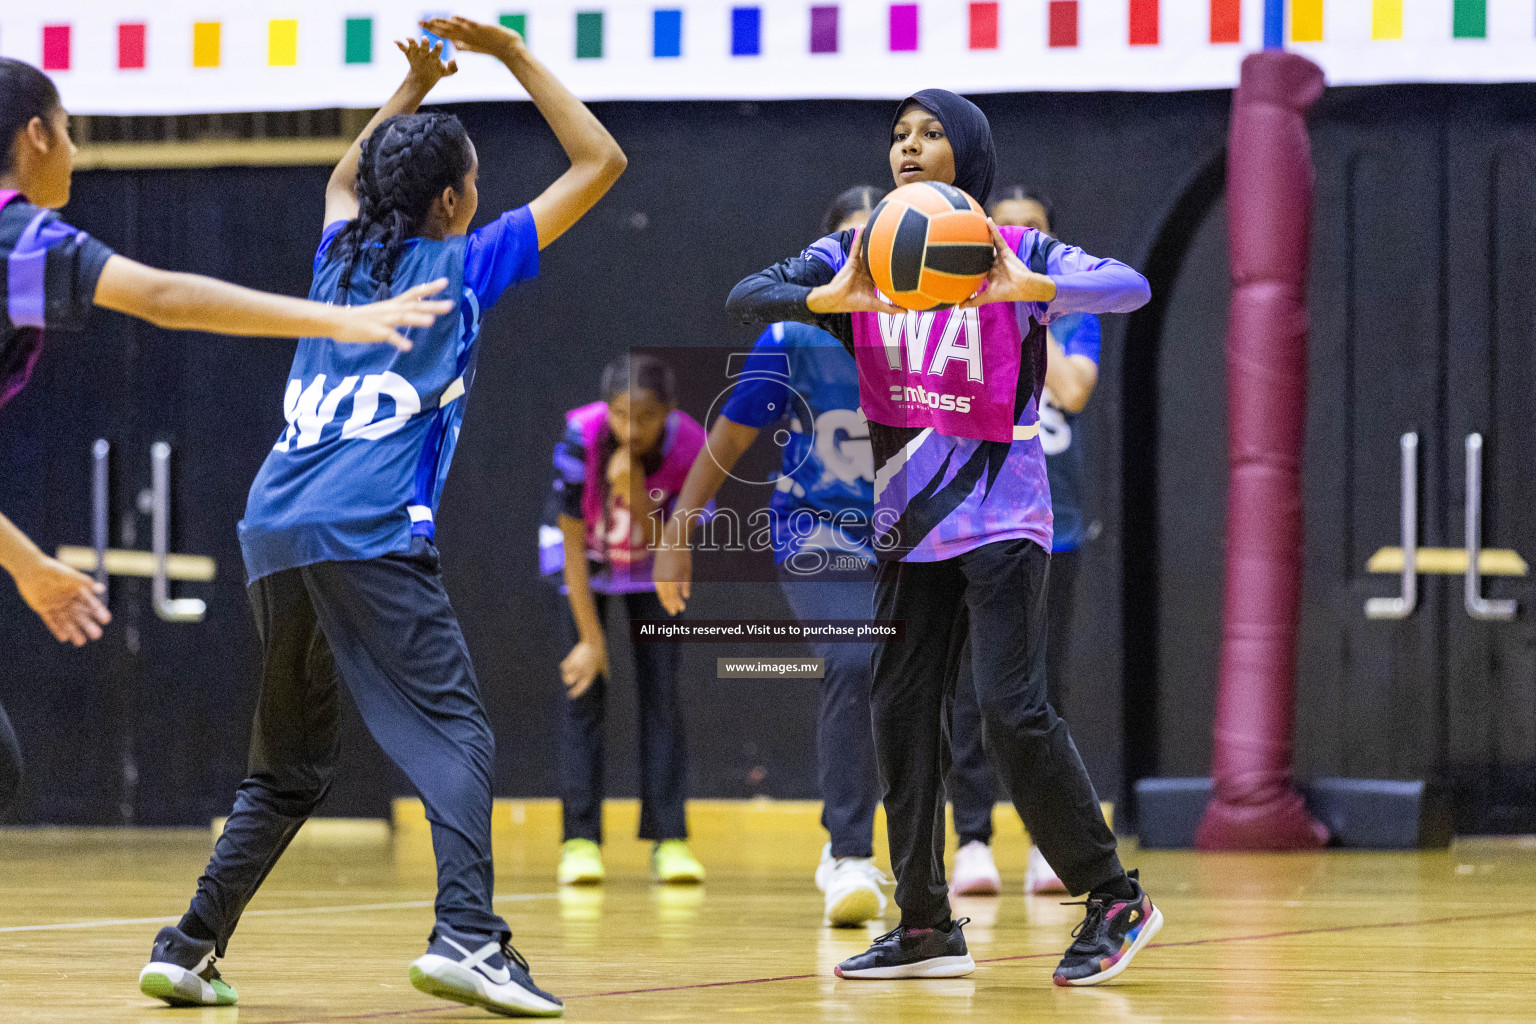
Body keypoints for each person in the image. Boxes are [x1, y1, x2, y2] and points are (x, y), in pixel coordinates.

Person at [140, 19, 625, 1017]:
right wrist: (512, 57)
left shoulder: (338, 261)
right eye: (475, 180)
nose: (481, 196)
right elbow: (601, 158)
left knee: (289, 765)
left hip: (276, 522)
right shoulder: (464, 263)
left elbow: (340, 183)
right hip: (368, 526)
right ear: (453, 201)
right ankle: (469, 937)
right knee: (455, 730)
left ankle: (190, 944)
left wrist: (408, 89)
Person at [725, 89, 1160, 987]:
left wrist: (1036, 286)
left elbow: (1131, 285)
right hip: (909, 529)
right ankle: (924, 924)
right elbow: (744, 293)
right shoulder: (862, 250)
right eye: (898, 135)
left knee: (1008, 707)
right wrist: (824, 296)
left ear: (966, 150)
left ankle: (1114, 897)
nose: (909, 148)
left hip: (1004, 518)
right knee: (897, 711)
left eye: (929, 134)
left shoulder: (1013, 246)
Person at [0, 56, 453, 818]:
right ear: (38, 136)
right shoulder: (15, 241)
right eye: (72, 133)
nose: (77, 152)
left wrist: (29, 565)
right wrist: (336, 318)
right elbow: (166, 297)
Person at [653, 186, 892, 927]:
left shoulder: (928, 329)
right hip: (818, 526)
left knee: (916, 686)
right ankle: (847, 855)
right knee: (855, 658)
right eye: (847, 246)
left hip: (908, 532)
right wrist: (678, 533)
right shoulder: (791, 338)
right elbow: (729, 439)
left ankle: (925, 854)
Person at [947, 187, 1103, 898]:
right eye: (1001, 229)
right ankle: (972, 839)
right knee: (965, 687)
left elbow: (1071, 391)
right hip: (972, 517)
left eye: (1029, 231)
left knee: (1041, 686)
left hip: (1051, 523)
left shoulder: (1071, 315)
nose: (1013, 238)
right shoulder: (955, 303)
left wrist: (1030, 305)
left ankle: (1049, 841)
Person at [543, 352, 708, 888]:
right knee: (584, 692)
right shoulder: (578, 435)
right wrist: (592, 640)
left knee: (661, 694)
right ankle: (580, 840)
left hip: (653, 565)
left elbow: (672, 550)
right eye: (620, 416)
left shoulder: (693, 448)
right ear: (604, 410)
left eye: (646, 418)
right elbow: (570, 538)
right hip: (582, 561)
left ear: (670, 412)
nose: (631, 430)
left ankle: (670, 840)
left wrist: (634, 492)